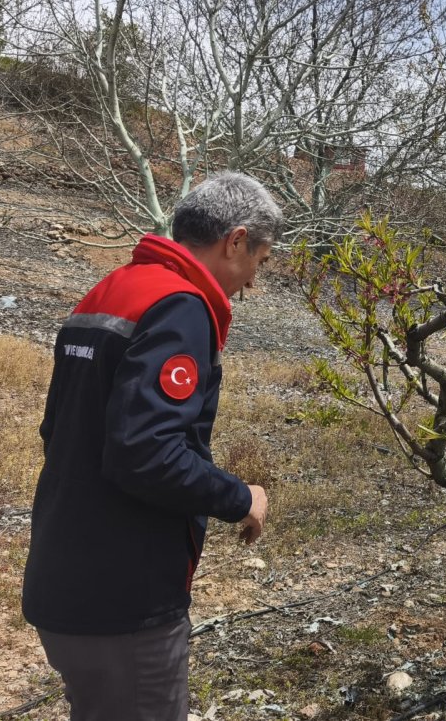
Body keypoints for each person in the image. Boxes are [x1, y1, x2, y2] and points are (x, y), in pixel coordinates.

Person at [22, 172, 283, 720]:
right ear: (234, 241)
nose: (253, 282)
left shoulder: (111, 288)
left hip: (64, 575)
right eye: (259, 261)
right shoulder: (181, 307)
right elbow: (148, 451)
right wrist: (241, 496)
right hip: (124, 600)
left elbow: (58, 429)